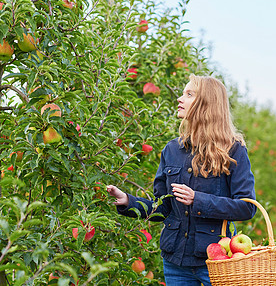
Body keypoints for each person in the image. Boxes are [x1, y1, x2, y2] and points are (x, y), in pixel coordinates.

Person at [107, 74, 256, 286]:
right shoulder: (172, 150)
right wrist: (128, 202)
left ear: (206, 104)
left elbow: (247, 207)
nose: (180, 99)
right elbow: (162, 207)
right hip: (176, 263)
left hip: (216, 261)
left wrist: (198, 200)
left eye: (189, 94)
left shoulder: (233, 151)